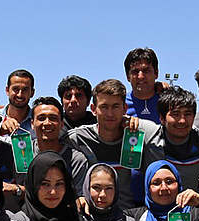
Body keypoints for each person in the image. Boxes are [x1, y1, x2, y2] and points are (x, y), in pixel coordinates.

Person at [65, 79, 162, 208]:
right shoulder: (77, 138)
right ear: (93, 109)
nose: (110, 114)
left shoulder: (136, 134)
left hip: (129, 216)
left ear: (125, 108)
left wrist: (137, 123)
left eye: (116, 106)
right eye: (104, 107)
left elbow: (159, 130)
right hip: (91, 217)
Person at [155, 86, 199, 193]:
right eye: (175, 114)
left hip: (191, 207)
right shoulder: (151, 138)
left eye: (187, 114)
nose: (182, 121)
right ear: (162, 118)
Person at [30, 97, 91, 194]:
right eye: (41, 118)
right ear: (32, 124)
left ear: (61, 124)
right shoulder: (22, 154)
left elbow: (77, 197)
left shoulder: (76, 160)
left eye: (53, 118)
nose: (47, 123)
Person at [124, 47, 162, 123]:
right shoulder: (120, 105)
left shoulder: (168, 103)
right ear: (128, 76)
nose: (141, 76)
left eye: (146, 71)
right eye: (135, 71)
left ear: (156, 73)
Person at [0, 69, 36, 137]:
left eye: (25, 90)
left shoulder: (38, 121)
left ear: (32, 93)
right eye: (15, 89)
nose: (20, 94)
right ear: (7, 90)